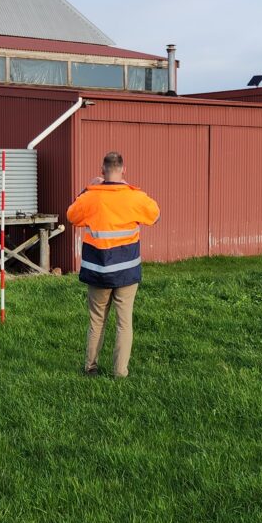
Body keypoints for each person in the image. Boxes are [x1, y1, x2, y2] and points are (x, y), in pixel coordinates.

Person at [65, 151, 161, 377]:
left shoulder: (90, 197)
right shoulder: (135, 197)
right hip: (127, 271)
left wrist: (87, 189)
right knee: (124, 322)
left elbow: (71, 215)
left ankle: (90, 368)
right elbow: (155, 215)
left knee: (97, 320)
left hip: (98, 271)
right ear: (123, 170)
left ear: (102, 171)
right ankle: (120, 371)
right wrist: (127, 187)